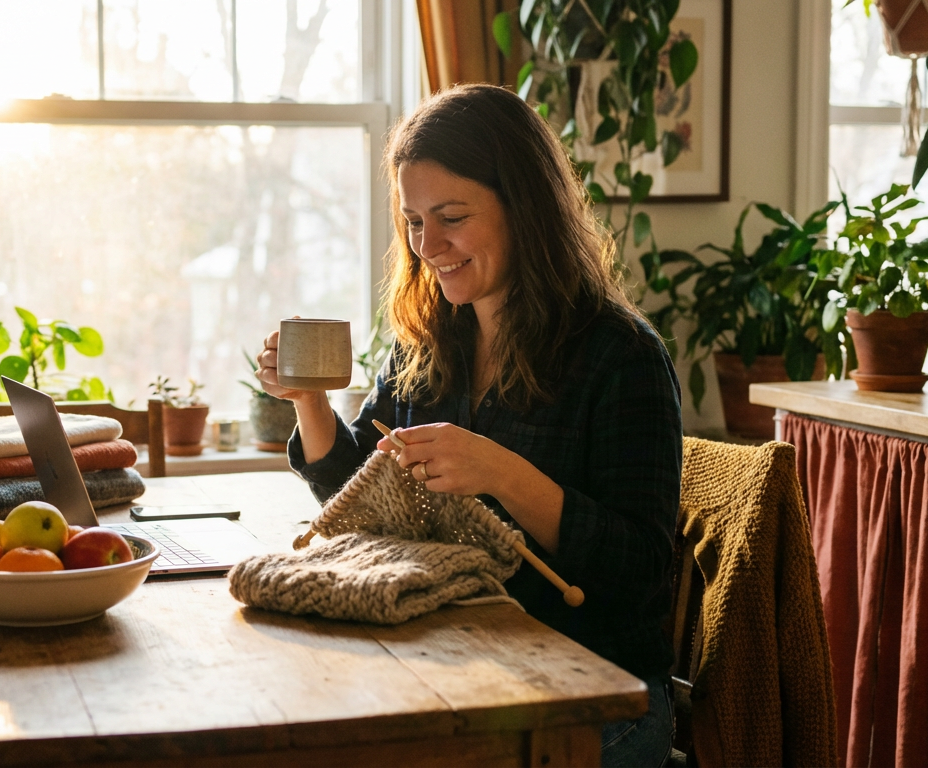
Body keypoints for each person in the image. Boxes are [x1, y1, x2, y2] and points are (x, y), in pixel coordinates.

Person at [255, 84, 681, 767]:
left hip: (597, 704)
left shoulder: (620, 357)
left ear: (526, 208)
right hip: (457, 674)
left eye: (451, 217)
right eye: (414, 221)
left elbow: (641, 571)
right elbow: (360, 489)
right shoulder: (429, 339)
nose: (429, 245)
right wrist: (306, 400)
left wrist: (503, 474)